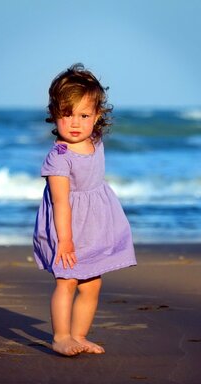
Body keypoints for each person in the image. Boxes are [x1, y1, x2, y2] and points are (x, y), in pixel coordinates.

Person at [33, 63, 137, 356]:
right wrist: (65, 240)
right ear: (55, 114)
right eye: (67, 115)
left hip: (95, 223)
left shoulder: (95, 141)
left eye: (84, 115)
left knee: (92, 284)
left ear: (97, 117)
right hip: (67, 225)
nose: (75, 123)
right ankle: (61, 336)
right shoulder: (59, 158)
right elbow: (61, 202)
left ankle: (78, 335)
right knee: (67, 281)